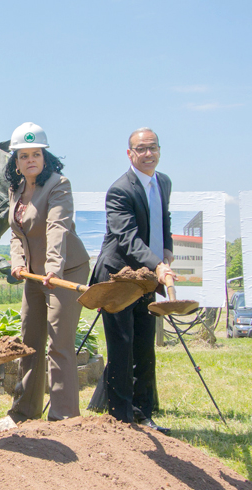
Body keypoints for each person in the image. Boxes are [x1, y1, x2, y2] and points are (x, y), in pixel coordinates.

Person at [90, 127, 175, 434]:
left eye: (153, 148)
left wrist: (166, 253)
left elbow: (164, 220)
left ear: (160, 150)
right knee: (122, 346)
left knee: (144, 346)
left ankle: (143, 413)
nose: (148, 153)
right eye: (141, 149)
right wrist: (158, 265)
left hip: (146, 278)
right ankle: (121, 418)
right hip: (118, 277)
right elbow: (128, 239)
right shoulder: (120, 190)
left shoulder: (163, 182)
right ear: (130, 154)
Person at [3, 123, 90, 422]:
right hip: (34, 276)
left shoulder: (58, 184)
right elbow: (16, 233)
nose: (30, 160)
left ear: (45, 157)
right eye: (24, 155)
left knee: (59, 343)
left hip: (65, 272)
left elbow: (57, 228)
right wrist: (18, 262)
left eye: (36, 154)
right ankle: (24, 412)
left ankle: (64, 417)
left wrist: (53, 270)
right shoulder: (16, 190)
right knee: (29, 341)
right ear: (16, 162)